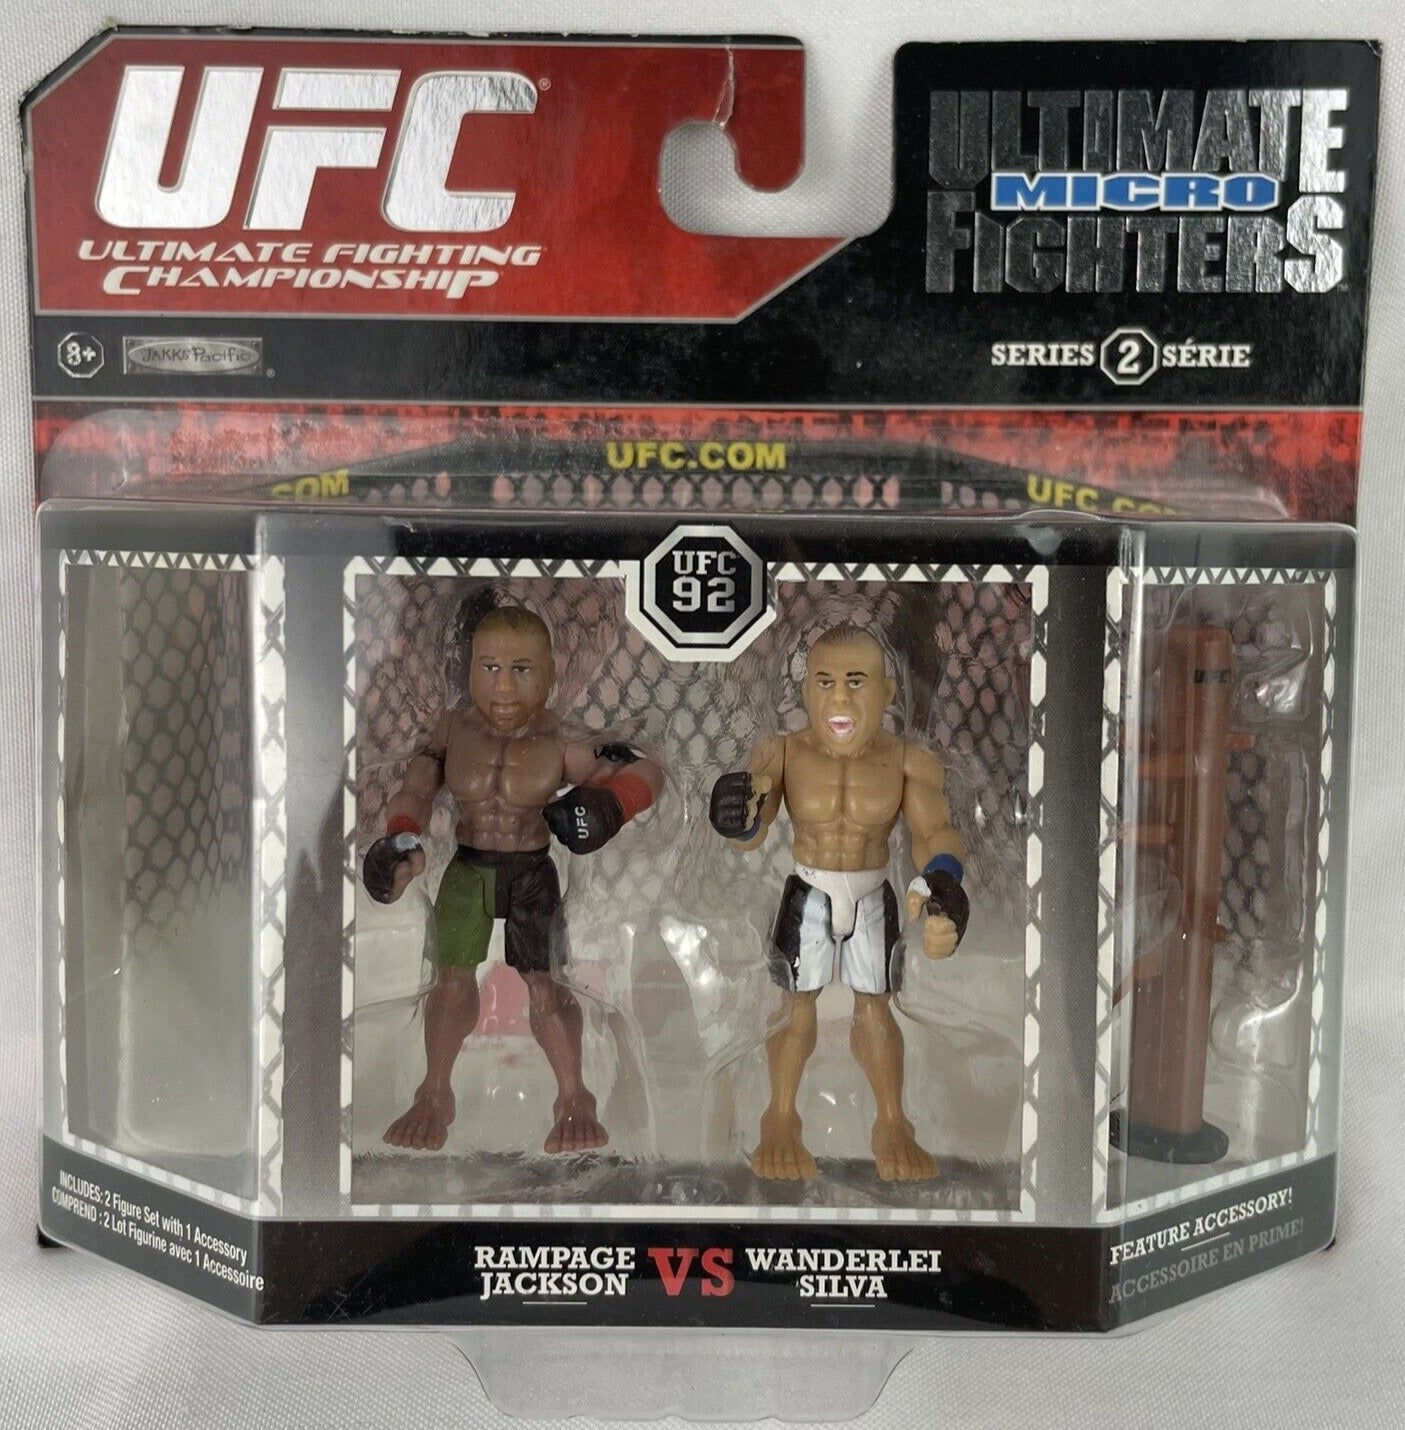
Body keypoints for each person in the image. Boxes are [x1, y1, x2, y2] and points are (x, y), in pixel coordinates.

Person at [363, 604, 664, 1154]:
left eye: (521, 670)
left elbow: (648, 770)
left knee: (546, 986)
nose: (503, 687)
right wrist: (400, 840)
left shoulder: (561, 741)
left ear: (549, 676)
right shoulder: (452, 731)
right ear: (470, 668)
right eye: (490, 668)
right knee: (449, 980)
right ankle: (433, 1094)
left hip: (531, 871)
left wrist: (613, 806)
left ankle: (574, 1097)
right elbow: (416, 787)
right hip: (468, 867)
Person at [709, 624, 967, 1182]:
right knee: (796, 1006)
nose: (840, 699)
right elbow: (752, 830)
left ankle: (892, 1122)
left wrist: (945, 885)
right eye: (825, 683)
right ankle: (780, 1118)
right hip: (809, 889)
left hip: (873, 892)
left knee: (876, 1008)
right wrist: (736, 814)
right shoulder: (782, 753)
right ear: (805, 691)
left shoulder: (908, 760)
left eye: (856, 681)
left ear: (887, 692)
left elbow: (935, 833)